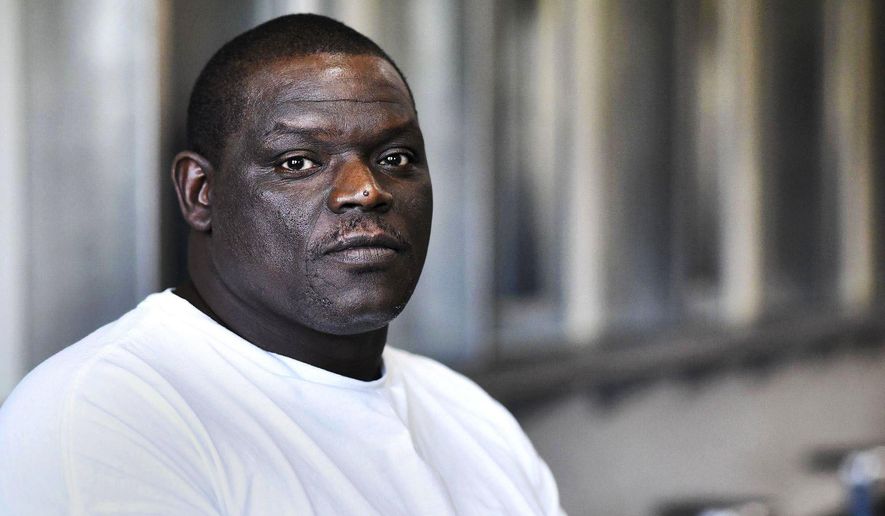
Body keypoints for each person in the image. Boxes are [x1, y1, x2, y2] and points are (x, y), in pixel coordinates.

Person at [0, 14, 563, 515]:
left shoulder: (471, 418)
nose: (366, 191)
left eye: (395, 157)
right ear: (201, 193)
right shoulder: (106, 415)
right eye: (298, 162)